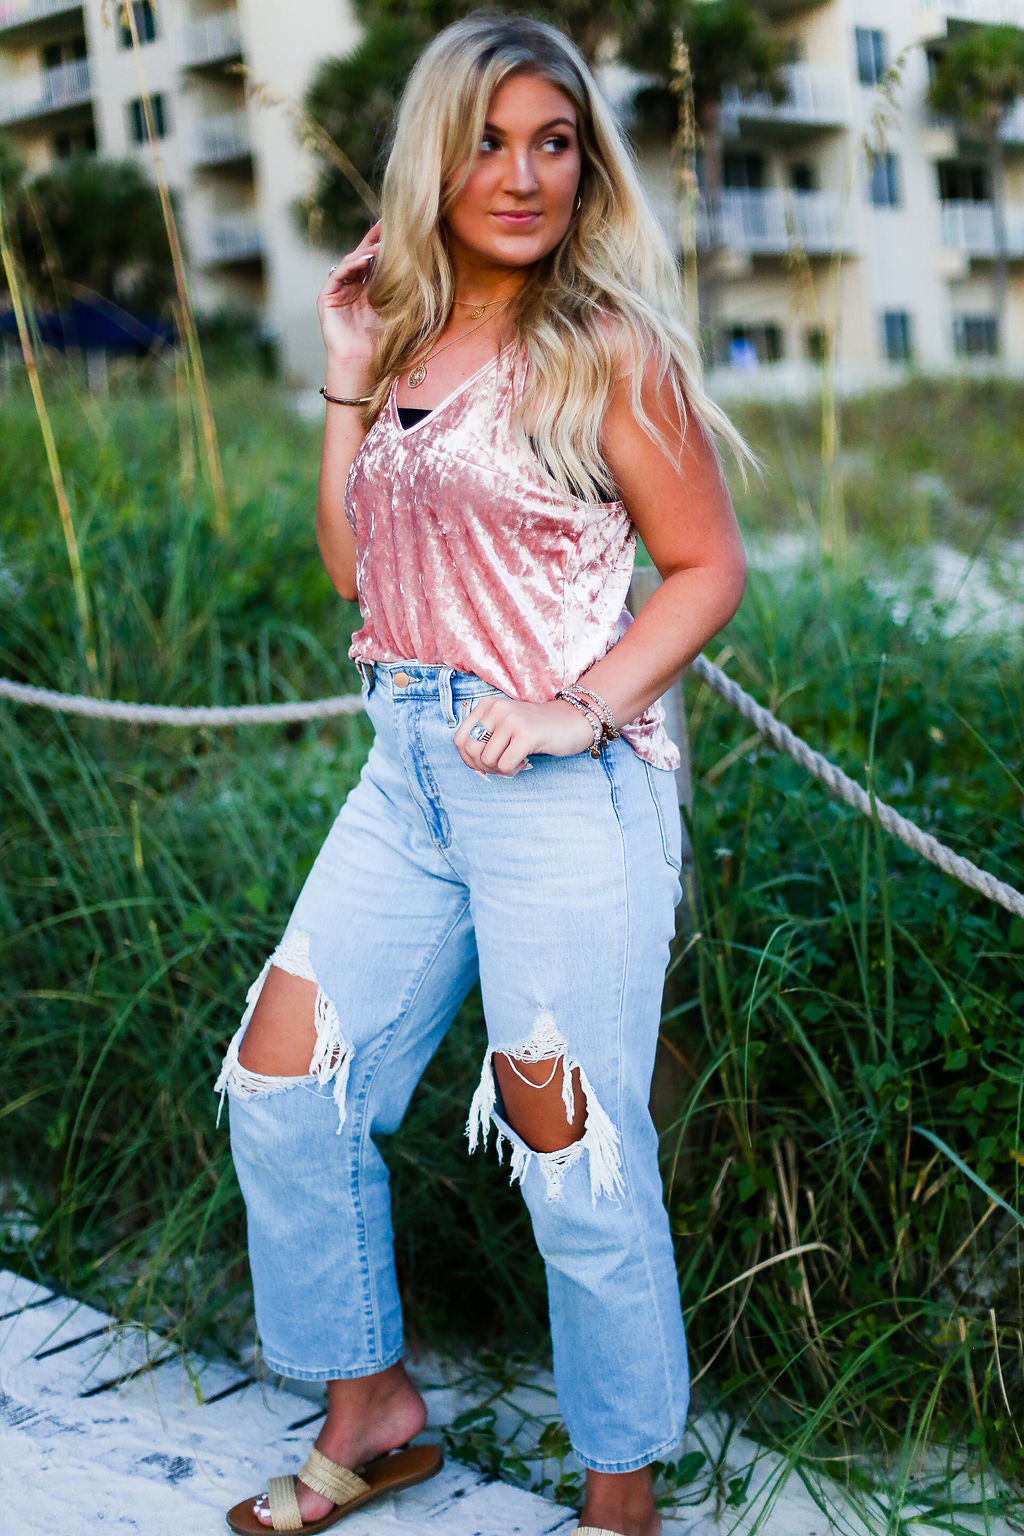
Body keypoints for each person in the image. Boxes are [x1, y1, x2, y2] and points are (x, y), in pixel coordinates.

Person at [216, 14, 749, 1536]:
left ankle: (620, 1500)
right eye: (490, 140)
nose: (522, 174)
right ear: (435, 155)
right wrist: (339, 369)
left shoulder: (602, 344)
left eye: (556, 141)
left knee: (568, 1142)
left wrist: (582, 706)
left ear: (587, 164)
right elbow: (352, 568)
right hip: (410, 771)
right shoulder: (400, 334)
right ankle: (373, 1411)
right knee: (285, 1083)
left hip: (560, 793)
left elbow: (707, 569)